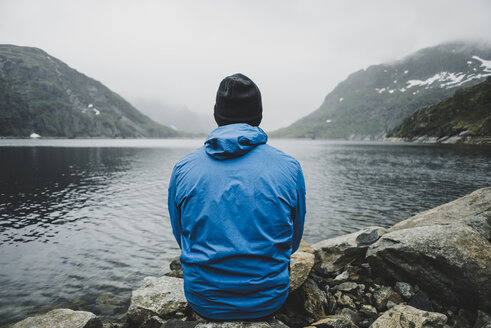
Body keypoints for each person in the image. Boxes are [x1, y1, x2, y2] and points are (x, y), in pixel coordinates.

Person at [167, 73, 306, 320]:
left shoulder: (183, 168)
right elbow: (293, 242)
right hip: (268, 299)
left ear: (217, 116)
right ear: (259, 116)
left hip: (204, 299)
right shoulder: (289, 167)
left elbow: (181, 236)